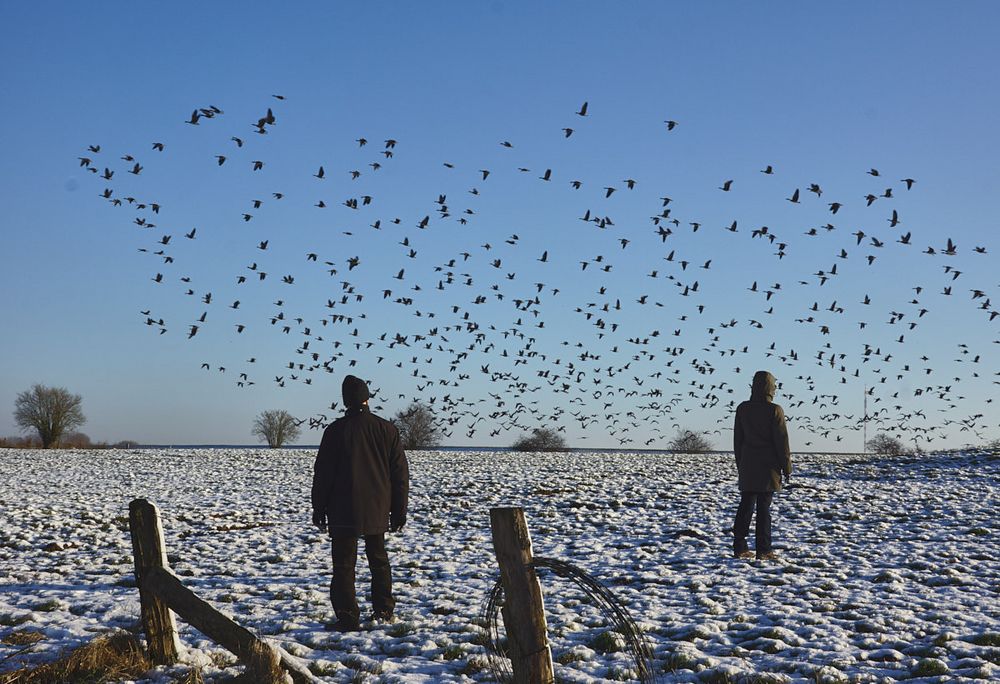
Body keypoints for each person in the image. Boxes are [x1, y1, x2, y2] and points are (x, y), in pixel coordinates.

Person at [311, 375, 409, 631]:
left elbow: (323, 474)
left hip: (342, 508)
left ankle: (347, 616)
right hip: (377, 507)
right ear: (367, 398)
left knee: (343, 565)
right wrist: (399, 510)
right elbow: (399, 474)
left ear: (345, 401)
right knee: (379, 560)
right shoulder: (387, 429)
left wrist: (318, 507)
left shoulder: (335, 431)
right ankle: (384, 611)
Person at [732, 370, 792, 561]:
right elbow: (782, 442)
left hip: (748, 464)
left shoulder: (743, 409)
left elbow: (737, 440)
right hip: (768, 467)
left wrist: (740, 463)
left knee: (745, 505)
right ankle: (764, 550)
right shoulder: (775, 410)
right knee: (764, 509)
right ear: (770, 388)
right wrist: (787, 467)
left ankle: (740, 547)